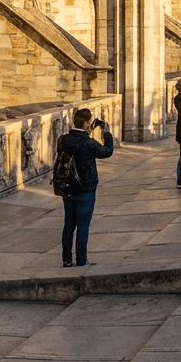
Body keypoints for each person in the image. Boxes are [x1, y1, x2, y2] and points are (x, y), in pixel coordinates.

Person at [57, 107, 115, 267]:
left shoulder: (62, 139)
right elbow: (107, 152)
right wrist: (106, 133)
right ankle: (81, 260)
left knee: (69, 224)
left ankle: (67, 260)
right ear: (87, 123)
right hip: (85, 189)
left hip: (67, 187)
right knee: (83, 226)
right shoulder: (89, 143)